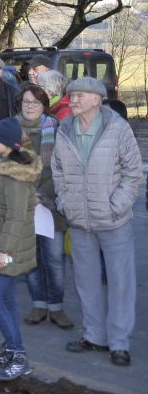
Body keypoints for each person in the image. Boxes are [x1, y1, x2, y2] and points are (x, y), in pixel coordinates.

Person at [52, 77, 142, 367]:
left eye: (79, 95)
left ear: (97, 99)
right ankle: (93, 336)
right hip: (79, 220)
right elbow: (57, 171)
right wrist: (65, 202)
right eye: (71, 95)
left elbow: (133, 173)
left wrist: (116, 206)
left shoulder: (118, 128)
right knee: (85, 282)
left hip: (114, 221)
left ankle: (119, 343)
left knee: (120, 282)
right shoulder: (64, 128)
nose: (73, 100)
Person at [0, 117, 39, 381]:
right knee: (7, 298)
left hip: (10, 249)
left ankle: (18, 356)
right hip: (8, 247)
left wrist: (4, 251)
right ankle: (11, 349)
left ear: (6, 143)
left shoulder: (13, 174)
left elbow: (16, 216)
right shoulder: (6, 164)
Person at [14, 84, 72, 330]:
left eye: (35, 103)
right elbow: (6, 165)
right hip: (23, 203)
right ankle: (38, 304)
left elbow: (62, 170)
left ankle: (56, 307)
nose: (29, 106)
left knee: (54, 259)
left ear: (43, 106)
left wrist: (42, 195)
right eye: (26, 102)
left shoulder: (56, 130)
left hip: (51, 205)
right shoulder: (11, 129)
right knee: (31, 259)